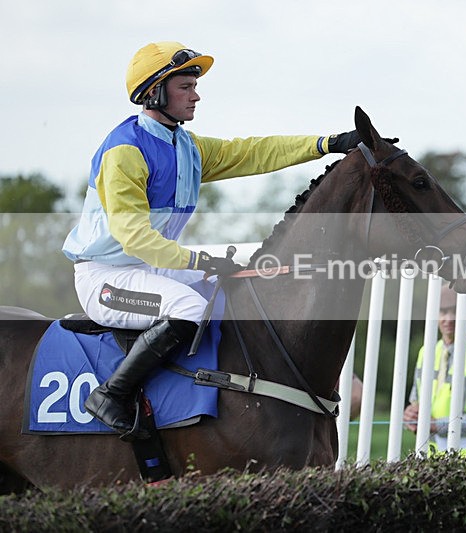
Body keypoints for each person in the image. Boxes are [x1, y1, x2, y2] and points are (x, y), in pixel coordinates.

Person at [62, 41, 362, 441]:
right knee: (188, 306)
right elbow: (134, 238)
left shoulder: (187, 145)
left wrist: (327, 143)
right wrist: (201, 261)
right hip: (106, 279)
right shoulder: (125, 151)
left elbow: (253, 152)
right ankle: (112, 395)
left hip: (152, 269)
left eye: (194, 86)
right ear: (155, 91)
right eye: (186, 86)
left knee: (234, 287)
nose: (196, 95)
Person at [403, 286, 466, 452]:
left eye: (455, 311)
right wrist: (411, 415)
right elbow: (416, 400)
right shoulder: (426, 353)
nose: (448, 319)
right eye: (442, 311)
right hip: (431, 463)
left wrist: (438, 425)